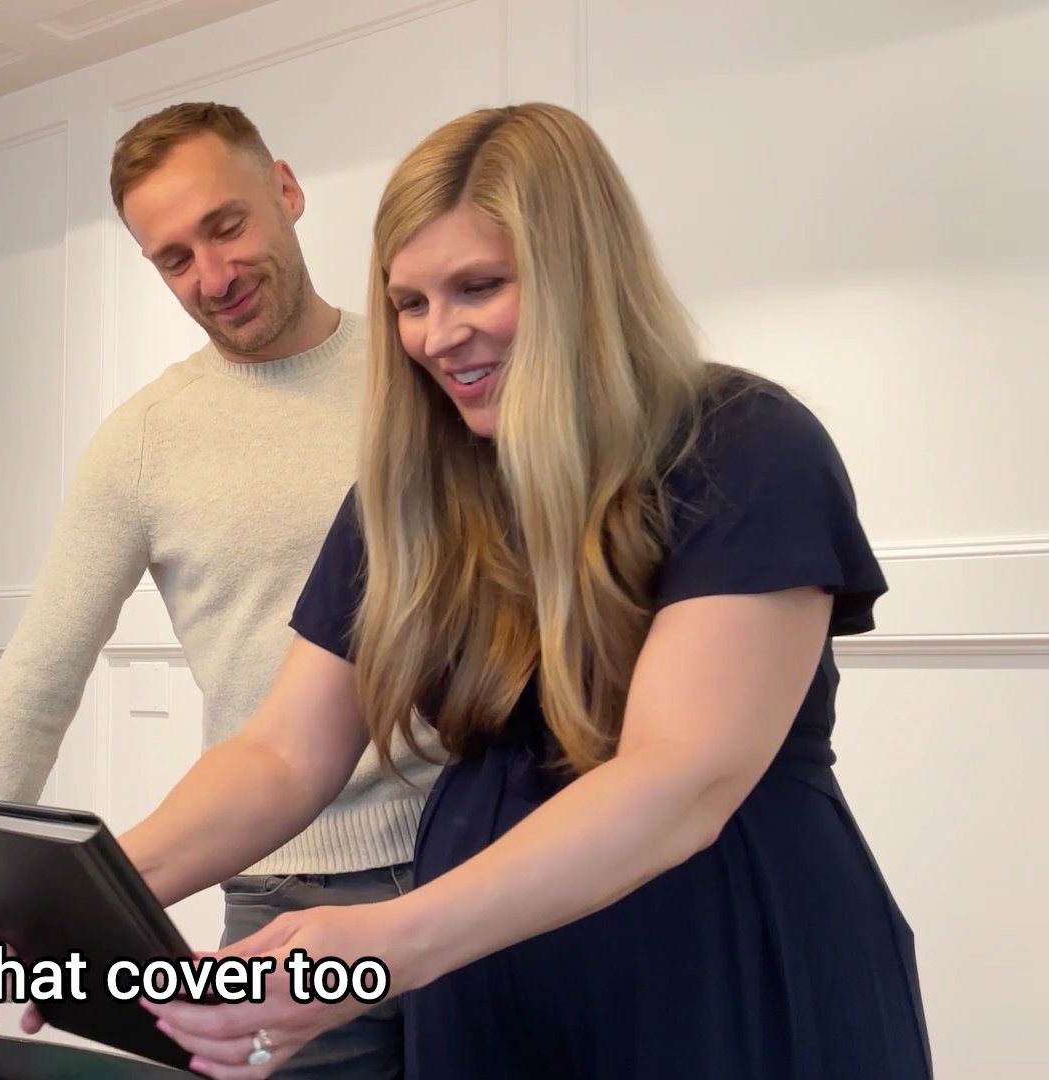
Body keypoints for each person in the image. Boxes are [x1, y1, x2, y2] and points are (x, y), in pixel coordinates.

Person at [100, 102, 933, 1078]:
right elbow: (285, 753)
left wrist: (383, 945)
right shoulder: (406, 496)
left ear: (582, 274)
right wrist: (94, 901)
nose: (437, 334)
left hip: (720, 973)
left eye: (478, 287)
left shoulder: (743, 444)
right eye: (409, 302)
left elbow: (680, 782)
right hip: (490, 996)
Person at [0, 102, 438, 1077]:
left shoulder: (425, 370)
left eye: (226, 226)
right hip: (282, 892)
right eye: (174, 259)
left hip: (478, 856)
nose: (212, 277)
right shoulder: (143, 442)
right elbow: (35, 685)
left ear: (287, 190)